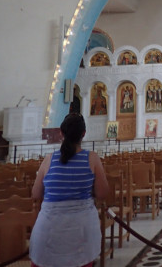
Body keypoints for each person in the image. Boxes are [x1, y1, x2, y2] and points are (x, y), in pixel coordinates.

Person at [30, 113, 109, 267]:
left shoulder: (49, 159)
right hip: (80, 231)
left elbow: (36, 194)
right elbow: (102, 193)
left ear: (61, 133)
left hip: (49, 230)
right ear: (83, 134)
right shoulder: (91, 158)